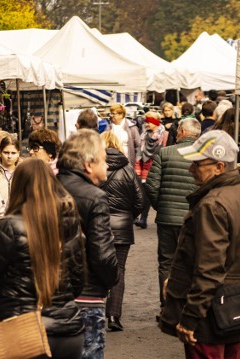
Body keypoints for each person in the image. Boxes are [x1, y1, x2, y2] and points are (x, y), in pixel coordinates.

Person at [0, 159, 87, 359]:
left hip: (22, 330)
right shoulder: (71, 225)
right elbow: (78, 283)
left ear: (18, 187)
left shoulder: (9, 227)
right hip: (68, 331)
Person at [160, 130, 240, 359]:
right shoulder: (238, 194)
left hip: (211, 312)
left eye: (197, 164)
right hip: (230, 305)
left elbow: (209, 269)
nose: (191, 169)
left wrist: (191, 317)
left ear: (219, 167)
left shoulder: (212, 204)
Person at [56, 129, 118, 359]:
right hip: (86, 295)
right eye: (104, 160)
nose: (108, 166)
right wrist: (112, 280)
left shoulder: (46, 188)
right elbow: (102, 253)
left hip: (48, 296)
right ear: (89, 164)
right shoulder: (94, 196)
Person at [144, 118, 201, 320]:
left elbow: (150, 186)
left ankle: (168, 308)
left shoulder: (165, 153)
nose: (176, 134)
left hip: (167, 219)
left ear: (183, 132)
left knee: (167, 263)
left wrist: (161, 205)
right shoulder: (202, 155)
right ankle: (188, 306)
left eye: (178, 132)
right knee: (192, 261)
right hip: (194, 219)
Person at [99, 131, 143, 332]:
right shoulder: (128, 169)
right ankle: (114, 316)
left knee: (97, 268)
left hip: (98, 227)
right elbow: (141, 200)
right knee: (119, 271)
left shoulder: (95, 168)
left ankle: (96, 313)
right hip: (122, 228)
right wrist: (128, 216)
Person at [134, 111, 169, 229]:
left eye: (149, 121)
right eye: (146, 121)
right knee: (146, 193)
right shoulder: (144, 135)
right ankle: (143, 218)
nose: (147, 123)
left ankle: (160, 217)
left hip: (160, 166)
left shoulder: (165, 135)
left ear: (156, 121)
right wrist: (137, 168)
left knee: (159, 195)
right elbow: (139, 152)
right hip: (146, 167)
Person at [0, 135, 21, 206]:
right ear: (0, 152)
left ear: (18, 153)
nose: (9, 156)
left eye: (13, 153)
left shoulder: (23, 170)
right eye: (6, 152)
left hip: (18, 214)